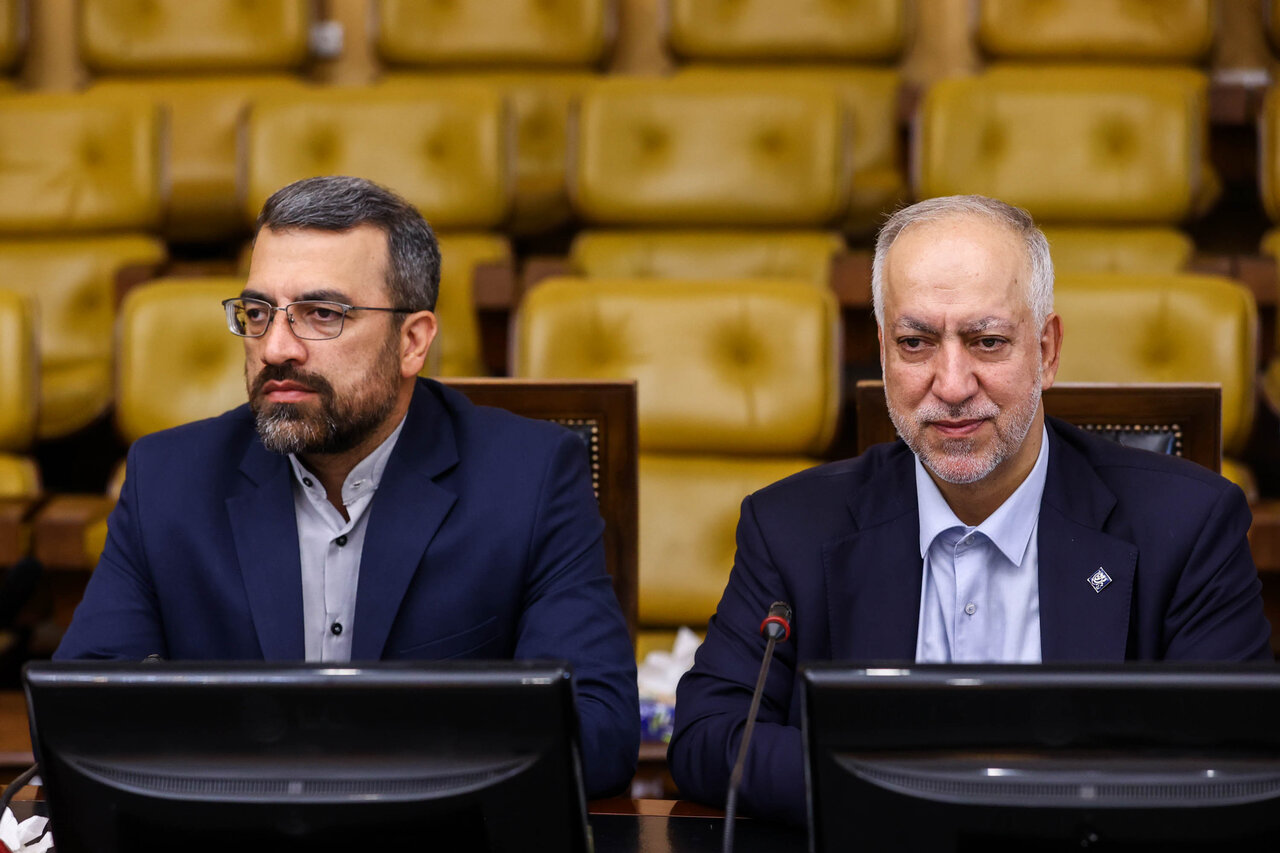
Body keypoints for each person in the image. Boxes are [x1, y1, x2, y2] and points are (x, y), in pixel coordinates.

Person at [667, 194, 1273, 824]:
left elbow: (1234, 761)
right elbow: (710, 738)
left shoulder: (1188, 525)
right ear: (883, 352)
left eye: (987, 342)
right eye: (915, 342)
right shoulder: (791, 526)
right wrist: (913, 793)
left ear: (1047, 351)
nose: (952, 385)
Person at [55, 175, 640, 798]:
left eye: (322, 314)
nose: (276, 348)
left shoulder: (530, 476)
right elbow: (81, 716)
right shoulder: (169, 479)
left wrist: (350, 757)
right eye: (258, 313)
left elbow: (598, 732)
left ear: (412, 341)